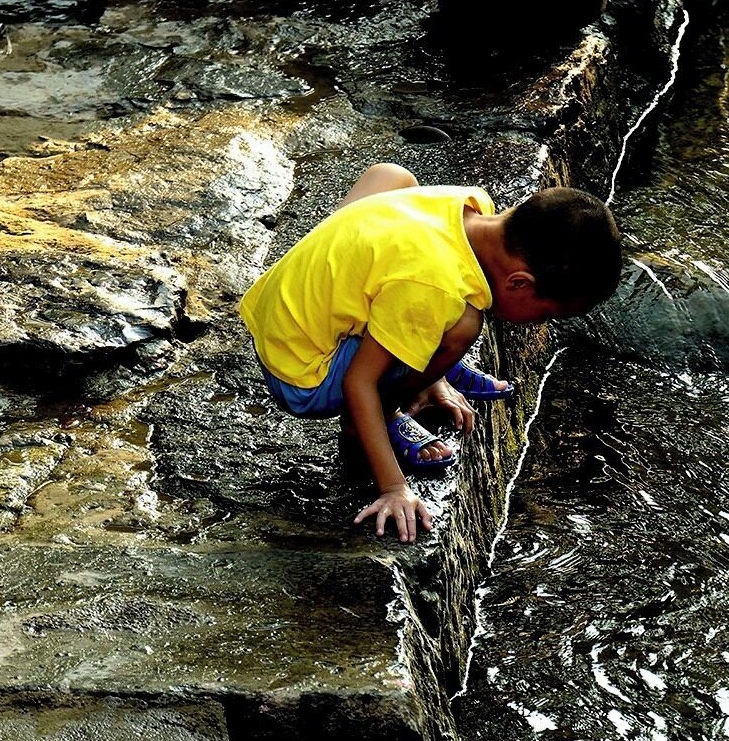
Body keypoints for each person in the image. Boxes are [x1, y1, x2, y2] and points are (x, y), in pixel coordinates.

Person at [239, 163, 622, 542]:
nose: (540, 324)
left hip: (284, 307)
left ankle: (414, 351)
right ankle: (390, 407)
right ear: (519, 283)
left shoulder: (467, 205)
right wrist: (393, 488)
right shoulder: (434, 287)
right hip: (304, 372)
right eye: (547, 314)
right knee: (462, 324)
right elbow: (359, 381)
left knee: (395, 176)